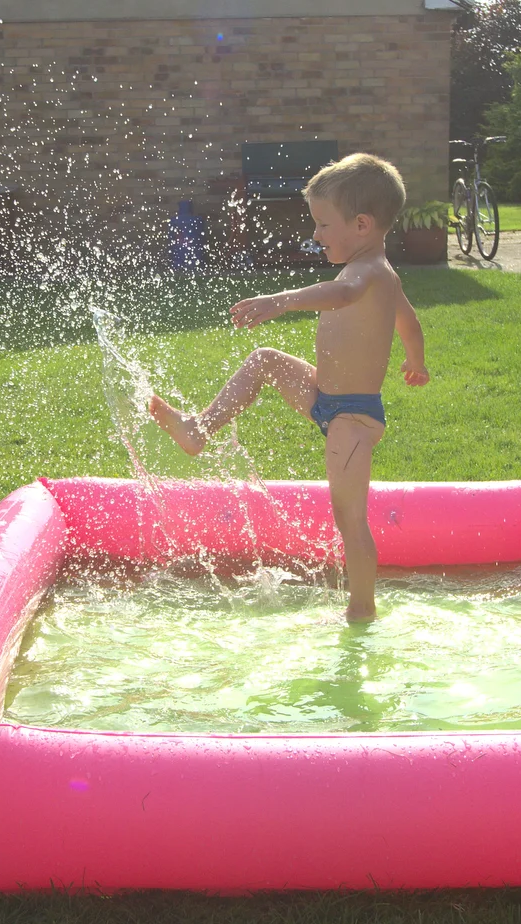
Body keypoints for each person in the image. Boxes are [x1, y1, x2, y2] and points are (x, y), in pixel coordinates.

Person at [149, 153, 429, 621]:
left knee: (350, 519)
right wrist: (415, 361)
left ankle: (362, 608)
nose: (315, 234)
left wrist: (282, 300)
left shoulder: (370, 273)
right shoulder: (375, 273)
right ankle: (198, 429)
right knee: (263, 361)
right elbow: (410, 322)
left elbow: (342, 296)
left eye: (322, 224)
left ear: (361, 224)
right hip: (325, 395)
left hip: (352, 419)